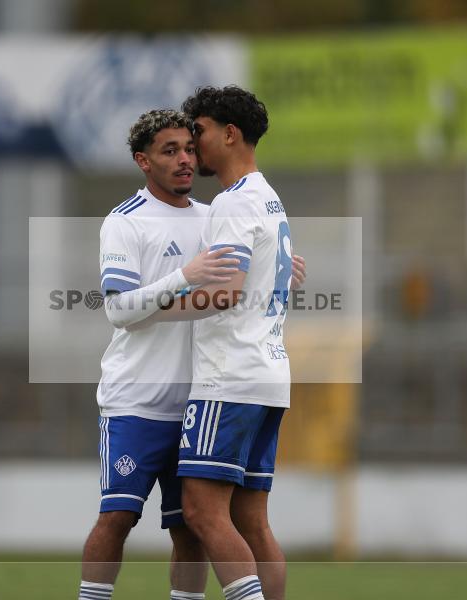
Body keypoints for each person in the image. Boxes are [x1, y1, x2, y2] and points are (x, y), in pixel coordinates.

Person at [131, 86, 298, 600]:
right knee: (252, 522)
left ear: (229, 134)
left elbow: (224, 293)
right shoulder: (268, 197)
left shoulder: (231, 202)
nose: (191, 145)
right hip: (269, 375)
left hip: (229, 377)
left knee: (202, 511)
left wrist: (155, 308)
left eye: (199, 132)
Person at [79, 109, 239, 600]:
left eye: (189, 149)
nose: (185, 160)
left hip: (198, 402)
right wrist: (183, 276)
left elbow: (237, 291)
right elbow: (121, 310)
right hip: (137, 399)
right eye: (170, 151)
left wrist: (283, 274)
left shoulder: (213, 218)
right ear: (142, 161)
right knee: (119, 515)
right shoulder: (125, 222)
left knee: (190, 527)